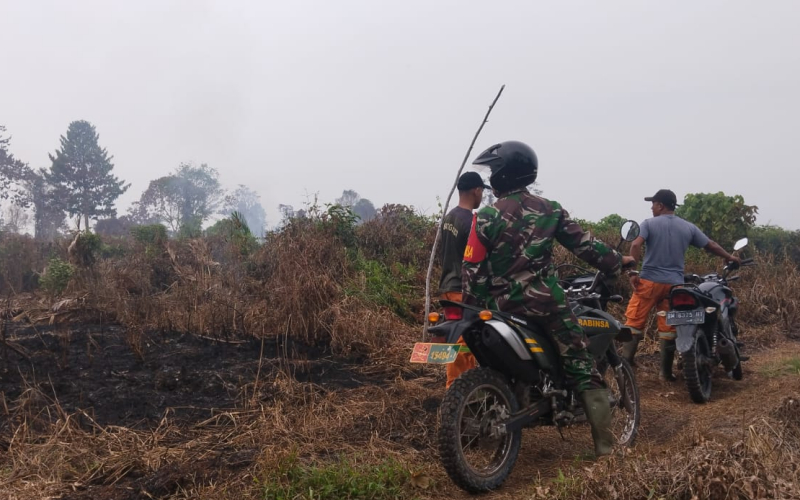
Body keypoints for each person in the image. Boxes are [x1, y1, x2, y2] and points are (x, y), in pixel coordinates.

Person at [462, 140, 635, 457]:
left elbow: (472, 268)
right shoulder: (549, 209)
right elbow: (586, 246)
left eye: (493, 171)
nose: (490, 178)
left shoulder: (484, 217)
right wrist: (615, 262)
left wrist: (475, 306)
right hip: (546, 305)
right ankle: (608, 453)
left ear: (503, 174)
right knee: (582, 365)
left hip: (501, 308)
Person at [620, 189, 742, 381]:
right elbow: (710, 244)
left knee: (634, 322)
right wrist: (729, 256)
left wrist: (633, 272)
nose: (651, 207)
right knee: (668, 327)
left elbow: (635, 245)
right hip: (675, 287)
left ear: (660, 205)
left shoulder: (648, 224)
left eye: (653, 204)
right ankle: (665, 374)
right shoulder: (688, 227)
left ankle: (624, 367)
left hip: (649, 283)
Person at [435, 171, 489, 388]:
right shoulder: (471, 222)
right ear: (476, 190)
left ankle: (455, 388)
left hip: (447, 286)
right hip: (463, 289)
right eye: (482, 191)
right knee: (465, 344)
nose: (482, 196)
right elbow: (474, 259)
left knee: (454, 341)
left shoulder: (449, 218)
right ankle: (461, 391)